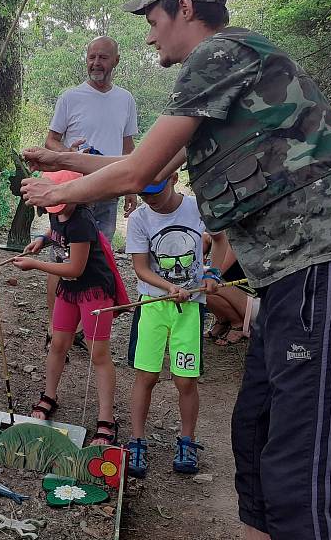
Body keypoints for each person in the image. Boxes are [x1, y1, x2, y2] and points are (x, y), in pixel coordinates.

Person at [20, 0, 331, 540]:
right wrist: (63, 160)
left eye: (153, 16)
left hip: (317, 267)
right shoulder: (225, 74)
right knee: (254, 432)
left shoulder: (220, 56)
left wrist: (52, 189)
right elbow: (152, 176)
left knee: (302, 464)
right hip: (283, 279)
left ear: (185, 9)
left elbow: (137, 170)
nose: (148, 32)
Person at [12, 170, 128, 445]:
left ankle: (105, 419)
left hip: (93, 290)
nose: (58, 208)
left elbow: (75, 268)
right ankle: (49, 396)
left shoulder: (82, 221)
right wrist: (43, 240)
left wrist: (36, 265)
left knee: (97, 352)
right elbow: (55, 230)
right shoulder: (57, 212)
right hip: (70, 289)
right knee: (58, 343)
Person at [42, 37, 139, 358]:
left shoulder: (126, 100)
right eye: (91, 57)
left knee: (98, 263)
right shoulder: (70, 97)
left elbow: (129, 152)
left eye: (103, 58)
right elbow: (51, 141)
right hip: (71, 194)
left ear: (116, 61)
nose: (96, 63)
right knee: (60, 258)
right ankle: (54, 332)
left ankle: (84, 329)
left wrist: (131, 190)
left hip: (108, 193)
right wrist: (68, 153)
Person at [124, 174, 216, 478]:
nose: (149, 197)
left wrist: (213, 274)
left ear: (174, 178)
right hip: (152, 306)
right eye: (143, 192)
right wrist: (168, 285)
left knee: (185, 380)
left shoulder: (197, 208)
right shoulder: (139, 218)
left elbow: (222, 240)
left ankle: (187, 440)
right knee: (146, 375)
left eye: (155, 190)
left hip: (190, 309)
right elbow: (140, 267)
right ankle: (136, 440)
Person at [202, 232, 258, 345]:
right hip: (234, 288)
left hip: (251, 293)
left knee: (203, 285)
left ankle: (237, 323)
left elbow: (220, 270)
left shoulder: (235, 239)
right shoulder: (208, 237)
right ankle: (223, 321)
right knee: (200, 285)